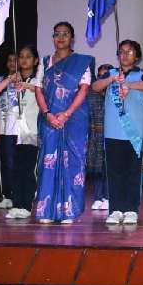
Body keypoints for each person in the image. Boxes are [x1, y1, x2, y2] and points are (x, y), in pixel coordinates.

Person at [32, 22, 93, 224]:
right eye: (57, 34)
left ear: (72, 38)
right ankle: (46, 211)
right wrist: (48, 113)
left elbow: (83, 90)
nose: (61, 37)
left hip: (74, 119)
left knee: (73, 163)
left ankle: (70, 211)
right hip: (49, 120)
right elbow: (38, 89)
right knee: (48, 163)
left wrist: (66, 114)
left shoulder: (81, 62)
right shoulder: (45, 61)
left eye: (65, 34)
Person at [92, 40, 143, 226]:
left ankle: (131, 209)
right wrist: (112, 79)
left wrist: (129, 86)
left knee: (132, 173)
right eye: (121, 52)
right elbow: (95, 87)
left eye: (129, 52)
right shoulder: (111, 73)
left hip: (135, 133)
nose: (125, 55)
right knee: (114, 173)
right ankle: (115, 209)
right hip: (113, 132)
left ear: (137, 56)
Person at [0, 45, 41, 220]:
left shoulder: (39, 79)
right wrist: (10, 81)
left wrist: (28, 86)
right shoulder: (12, 79)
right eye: (21, 57)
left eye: (28, 57)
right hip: (14, 131)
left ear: (35, 60)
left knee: (28, 169)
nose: (23, 60)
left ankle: (26, 205)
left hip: (30, 130)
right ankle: (16, 203)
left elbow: (44, 93)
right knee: (15, 168)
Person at [0, 52, 19, 210]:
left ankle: (22, 193)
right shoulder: (0, 80)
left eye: (16, 60)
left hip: (22, 130)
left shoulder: (27, 79)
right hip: (4, 128)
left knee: (21, 163)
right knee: (6, 163)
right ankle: (7, 195)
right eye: (10, 60)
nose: (12, 63)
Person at [87, 63, 113, 211]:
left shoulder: (115, 92)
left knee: (109, 169)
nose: (103, 78)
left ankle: (108, 197)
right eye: (100, 75)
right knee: (96, 168)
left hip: (111, 135)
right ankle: (98, 197)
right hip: (95, 135)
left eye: (106, 75)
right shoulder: (91, 92)